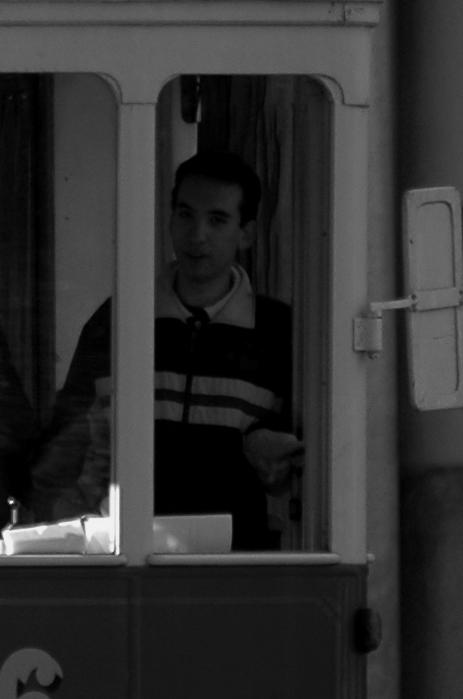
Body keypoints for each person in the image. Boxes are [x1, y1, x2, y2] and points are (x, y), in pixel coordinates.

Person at [33, 149, 300, 549]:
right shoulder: (120, 319)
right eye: (185, 215)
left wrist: (270, 456)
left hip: (239, 567)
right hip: (130, 558)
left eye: (217, 219)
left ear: (246, 232)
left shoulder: (278, 331)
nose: (197, 235)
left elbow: (311, 463)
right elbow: (69, 444)